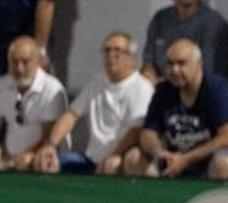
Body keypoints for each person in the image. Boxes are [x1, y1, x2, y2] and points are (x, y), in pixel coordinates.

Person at [125, 38, 228, 180]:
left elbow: (227, 138)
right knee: (133, 157)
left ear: (199, 64)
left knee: (224, 163)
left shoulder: (219, 90)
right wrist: (160, 152)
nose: (174, 70)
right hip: (172, 161)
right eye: (170, 64)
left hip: (208, 162)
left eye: (181, 63)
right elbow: (148, 133)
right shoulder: (163, 91)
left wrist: (186, 159)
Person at [35, 31, 154, 175]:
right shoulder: (97, 82)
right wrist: (51, 145)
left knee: (112, 166)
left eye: (117, 51)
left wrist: (111, 156)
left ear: (132, 58)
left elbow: (135, 131)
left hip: (119, 157)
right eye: (107, 50)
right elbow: (71, 115)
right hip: (90, 158)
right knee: (42, 161)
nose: (111, 56)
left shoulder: (141, 87)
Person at [141, 0, 228, 84]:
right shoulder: (160, 19)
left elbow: (209, 70)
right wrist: (148, 74)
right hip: (163, 91)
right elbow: (148, 59)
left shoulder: (214, 22)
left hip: (202, 92)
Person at [0, 36, 68, 172]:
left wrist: (12, 162)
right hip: (10, 156)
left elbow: (48, 136)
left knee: (29, 161)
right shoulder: (2, 84)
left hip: (42, 154)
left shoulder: (52, 89)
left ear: (37, 61)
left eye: (25, 62)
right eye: (14, 62)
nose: (19, 69)